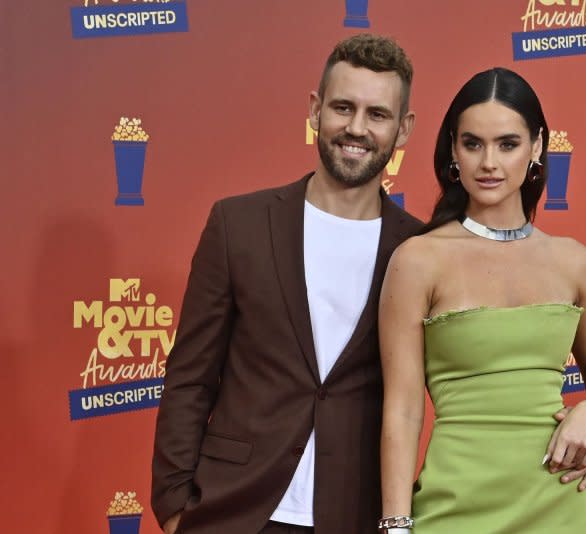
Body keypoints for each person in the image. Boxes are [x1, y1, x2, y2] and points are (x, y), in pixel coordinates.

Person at [151, 34, 420, 534]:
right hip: (234, 511)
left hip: (354, 514)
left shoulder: (420, 250)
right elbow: (190, 376)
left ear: (403, 129)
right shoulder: (239, 224)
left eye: (377, 114)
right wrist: (173, 507)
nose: (356, 128)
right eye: (343, 107)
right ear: (315, 110)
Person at [378, 67, 586, 533]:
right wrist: (396, 525)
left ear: (536, 147)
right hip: (456, 506)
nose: (488, 162)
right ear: (453, 149)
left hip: (560, 506)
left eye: (507, 144)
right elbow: (404, 409)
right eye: (473, 144)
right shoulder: (417, 261)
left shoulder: (575, 262)